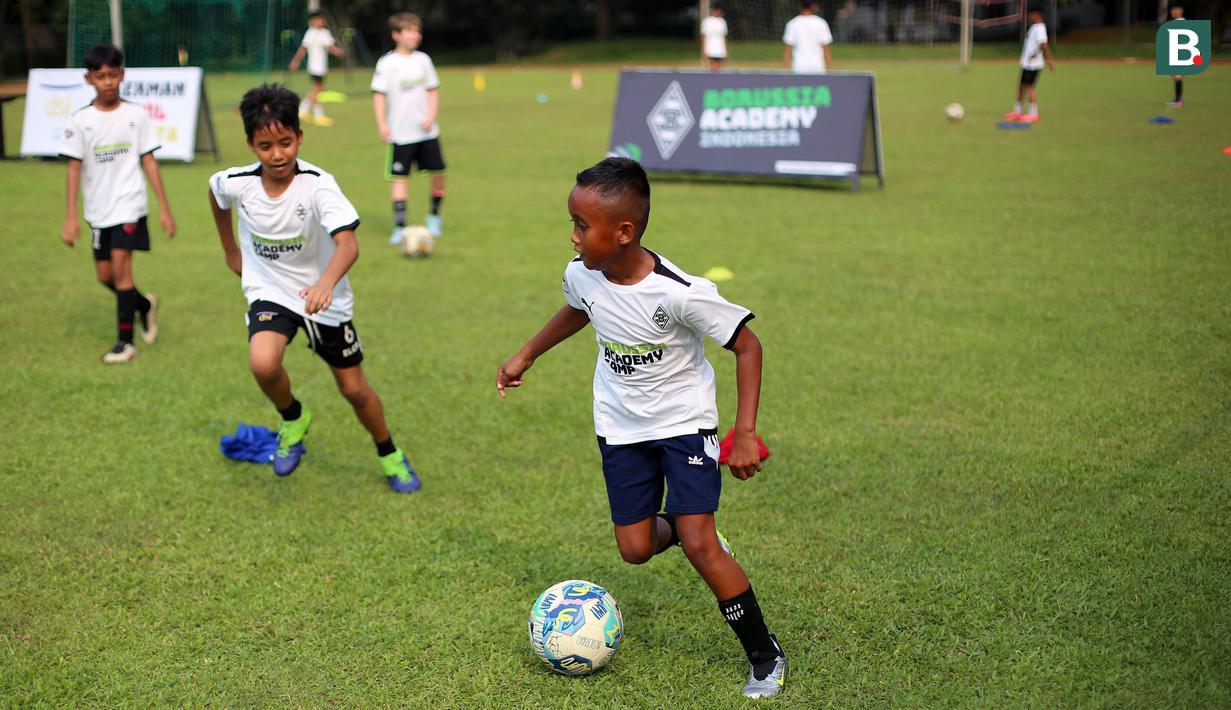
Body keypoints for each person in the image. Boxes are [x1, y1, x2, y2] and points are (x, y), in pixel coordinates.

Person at [496, 158, 787, 699]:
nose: (573, 235)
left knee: (703, 547)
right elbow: (579, 308)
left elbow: (748, 345)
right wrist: (526, 353)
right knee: (633, 548)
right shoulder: (581, 270)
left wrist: (744, 432)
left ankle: (764, 655)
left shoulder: (679, 292)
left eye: (583, 225)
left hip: (684, 423)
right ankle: (681, 525)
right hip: (620, 424)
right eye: (573, 222)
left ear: (623, 232)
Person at [208, 84, 422, 494]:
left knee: (355, 390)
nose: (277, 154)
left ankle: (390, 454)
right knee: (263, 363)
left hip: (325, 299)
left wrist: (326, 283)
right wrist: (230, 249)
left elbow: (349, 243)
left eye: (286, 143)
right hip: (269, 290)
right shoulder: (236, 183)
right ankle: (292, 418)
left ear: (299, 137)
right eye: (265, 145)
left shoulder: (318, 184)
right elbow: (216, 196)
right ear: (251, 145)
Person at [59, 44, 176, 364]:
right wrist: (70, 216)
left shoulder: (136, 115)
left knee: (123, 271)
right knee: (105, 276)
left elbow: (149, 161)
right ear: (88, 79)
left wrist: (164, 208)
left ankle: (125, 343)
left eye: (113, 75)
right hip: (98, 210)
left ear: (122, 75)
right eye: (101, 76)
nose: (108, 82)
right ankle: (144, 306)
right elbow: (74, 168)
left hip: (130, 205)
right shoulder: (80, 121)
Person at [371, 12, 447, 244]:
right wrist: (382, 123)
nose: (416, 35)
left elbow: (432, 90)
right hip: (401, 134)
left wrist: (431, 115)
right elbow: (379, 95)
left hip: (427, 132)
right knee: (400, 178)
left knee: (439, 173)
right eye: (410, 31)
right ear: (396, 35)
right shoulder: (387, 63)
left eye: (418, 31)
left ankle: (434, 217)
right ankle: (400, 227)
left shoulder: (423, 60)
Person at [288, 11, 345, 127]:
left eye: (322, 19)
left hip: (322, 66)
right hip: (314, 67)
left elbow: (330, 47)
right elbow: (303, 48)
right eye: (318, 19)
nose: (320, 21)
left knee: (318, 89)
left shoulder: (325, 33)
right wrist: (295, 61)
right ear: (312, 21)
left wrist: (336, 51)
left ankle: (304, 111)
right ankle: (316, 115)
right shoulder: (310, 33)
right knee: (317, 89)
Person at [1004, 7, 1055, 123]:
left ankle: (1033, 114)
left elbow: (1044, 45)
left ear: (1037, 15)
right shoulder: (1034, 27)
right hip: (1027, 64)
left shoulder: (1040, 28)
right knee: (1021, 86)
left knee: (1030, 87)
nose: (1030, 16)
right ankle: (1018, 111)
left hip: (1034, 65)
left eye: (1031, 14)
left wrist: (1049, 60)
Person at [783, 0, 833, 73]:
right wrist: (830, 71)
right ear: (813, 6)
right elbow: (826, 50)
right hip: (817, 67)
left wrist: (785, 72)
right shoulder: (821, 23)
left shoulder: (792, 23)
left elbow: (787, 51)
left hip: (799, 67)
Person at [1166, 3, 1186, 107]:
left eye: (1176, 10)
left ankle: (1178, 101)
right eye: (1172, 10)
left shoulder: (1181, 23)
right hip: (1176, 54)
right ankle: (1178, 99)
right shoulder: (1175, 22)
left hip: (1180, 55)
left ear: (1181, 11)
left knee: (1177, 76)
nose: (1173, 12)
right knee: (1175, 76)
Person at [701, 3, 729, 71]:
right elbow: (703, 36)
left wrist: (725, 50)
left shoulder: (722, 21)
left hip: (720, 49)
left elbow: (724, 36)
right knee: (712, 67)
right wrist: (704, 50)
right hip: (710, 48)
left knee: (720, 67)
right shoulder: (707, 21)